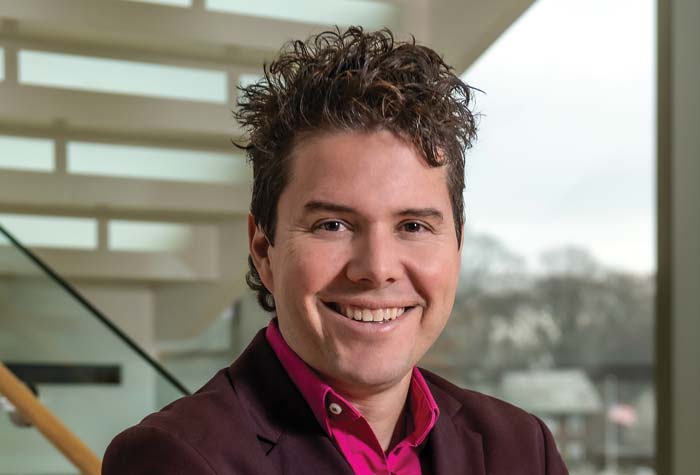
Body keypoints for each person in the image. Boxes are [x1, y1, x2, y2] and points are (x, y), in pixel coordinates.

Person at [103, 27, 568, 475]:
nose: (377, 268)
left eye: (413, 225)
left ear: (458, 246)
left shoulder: (522, 448)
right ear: (263, 250)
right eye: (333, 225)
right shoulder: (173, 459)